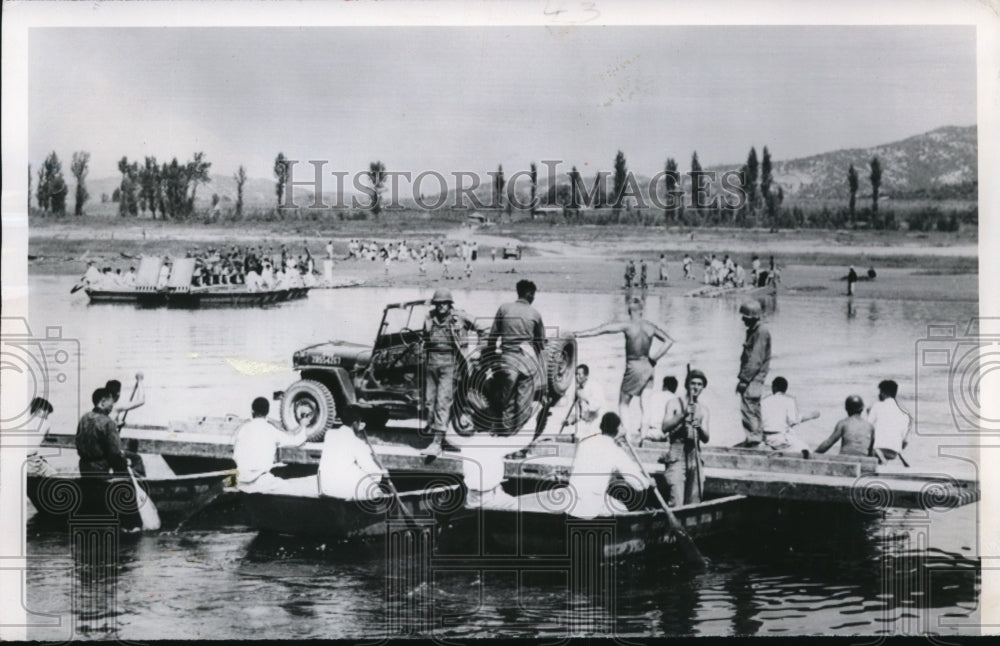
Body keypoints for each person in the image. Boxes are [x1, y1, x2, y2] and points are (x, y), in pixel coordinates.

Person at [574, 296, 674, 434]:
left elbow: (602, 329)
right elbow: (669, 341)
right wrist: (654, 359)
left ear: (629, 312)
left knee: (623, 403)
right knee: (646, 405)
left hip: (634, 366)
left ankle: (627, 436)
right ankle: (643, 436)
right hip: (649, 367)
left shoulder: (627, 326)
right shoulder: (650, 327)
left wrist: (578, 334)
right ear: (641, 311)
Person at [420, 288, 487, 458]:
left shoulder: (460, 317)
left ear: (450, 304)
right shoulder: (429, 318)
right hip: (431, 363)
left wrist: (479, 351)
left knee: (443, 401)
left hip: (451, 364)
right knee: (428, 402)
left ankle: (436, 443)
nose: (441, 306)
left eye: (444, 303)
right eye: (438, 303)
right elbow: (423, 339)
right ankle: (435, 432)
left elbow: (484, 329)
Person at [565, 412, 654, 519]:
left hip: (571, 502)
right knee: (623, 509)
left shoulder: (585, 443)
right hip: (590, 507)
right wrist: (649, 483)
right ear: (618, 429)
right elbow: (638, 484)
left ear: (601, 426)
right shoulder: (615, 451)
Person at [488, 280, 547, 434]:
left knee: (505, 397)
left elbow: (492, 336)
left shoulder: (504, 308)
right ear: (530, 294)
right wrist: (543, 375)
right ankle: (514, 434)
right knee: (523, 402)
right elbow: (540, 345)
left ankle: (503, 430)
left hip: (507, 361)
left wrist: (490, 357)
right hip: (527, 363)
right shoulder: (535, 314)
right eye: (533, 295)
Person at [232, 397, 311, 493]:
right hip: (260, 481)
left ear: (252, 410)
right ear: (268, 411)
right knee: (292, 490)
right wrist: (303, 425)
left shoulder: (243, 429)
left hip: (241, 480)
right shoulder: (271, 430)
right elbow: (296, 442)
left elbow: (235, 455)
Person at [656, 370, 710, 507]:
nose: (696, 387)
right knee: (676, 500)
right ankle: (674, 528)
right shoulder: (674, 403)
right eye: (693, 383)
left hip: (695, 456)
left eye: (700, 384)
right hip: (677, 455)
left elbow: (706, 438)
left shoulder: (703, 409)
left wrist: (699, 428)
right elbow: (664, 427)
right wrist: (683, 415)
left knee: (694, 500)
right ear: (686, 384)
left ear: (703, 387)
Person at [317, 423, 388, 499]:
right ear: (355, 423)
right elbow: (372, 472)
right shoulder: (357, 442)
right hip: (339, 491)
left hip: (323, 488)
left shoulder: (330, 434)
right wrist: (382, 473)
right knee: (371, 484)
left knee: (354, 471)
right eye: (359, 421)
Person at [736, 300, 771, 447]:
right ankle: (756, 437)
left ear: (752, 317)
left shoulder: (761, 332)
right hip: (754, 378)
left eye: (745, 316)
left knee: (749, 407)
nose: (743, 319)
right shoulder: (755, 331)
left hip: (753, 378)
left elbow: (755, 360)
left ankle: (754, 439)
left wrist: (744, 379)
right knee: (753, 408)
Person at [75, 388, 131, 477]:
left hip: (84, 468)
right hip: (101, 470)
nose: (112, 406)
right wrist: (125, 463)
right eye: (111, 403)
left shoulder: (84, 418)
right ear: (103, 401)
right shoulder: (108, 422)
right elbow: (115, 453)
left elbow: (78, 442)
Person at [760, 376, 819, 453]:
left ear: (774, 388)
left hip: (765, 437)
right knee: (806, 450)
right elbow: (794, 421)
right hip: (780, 438)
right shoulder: (789, 400)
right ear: (785, 389)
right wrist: (811, 416)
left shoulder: (764, 400)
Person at [867, 379, 912, 463]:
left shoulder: (877, 405)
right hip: (894, 452)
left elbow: (867, 428)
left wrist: (868, 414)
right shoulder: (904, 413)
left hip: (878, 449)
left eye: (880, 392)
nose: (878, 395)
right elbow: (904, 442)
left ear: (884, 393)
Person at [560, 364, 606, 440]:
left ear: (586, 375)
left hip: (596, 423)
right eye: (576, 374)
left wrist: (585, 398)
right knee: (573, 437)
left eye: (579, 374)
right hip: (584, 423)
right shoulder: (578, 389)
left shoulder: (595, 386)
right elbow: (578, 412)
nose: (577, 377)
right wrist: (570, 420)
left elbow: (596, 406)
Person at [641, 375, 683, 447]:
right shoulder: (676, 399)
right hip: (664, 434)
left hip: (648, 432)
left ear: (664, 385)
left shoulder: (652, 396)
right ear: (675, 388)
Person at [26, 397, 57, 477]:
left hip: (22, 458)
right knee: (53, 475)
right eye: (47, 413)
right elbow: (47, 437)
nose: (47, 416)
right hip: (32, 461)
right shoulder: (46, 423)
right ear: (40, 410)